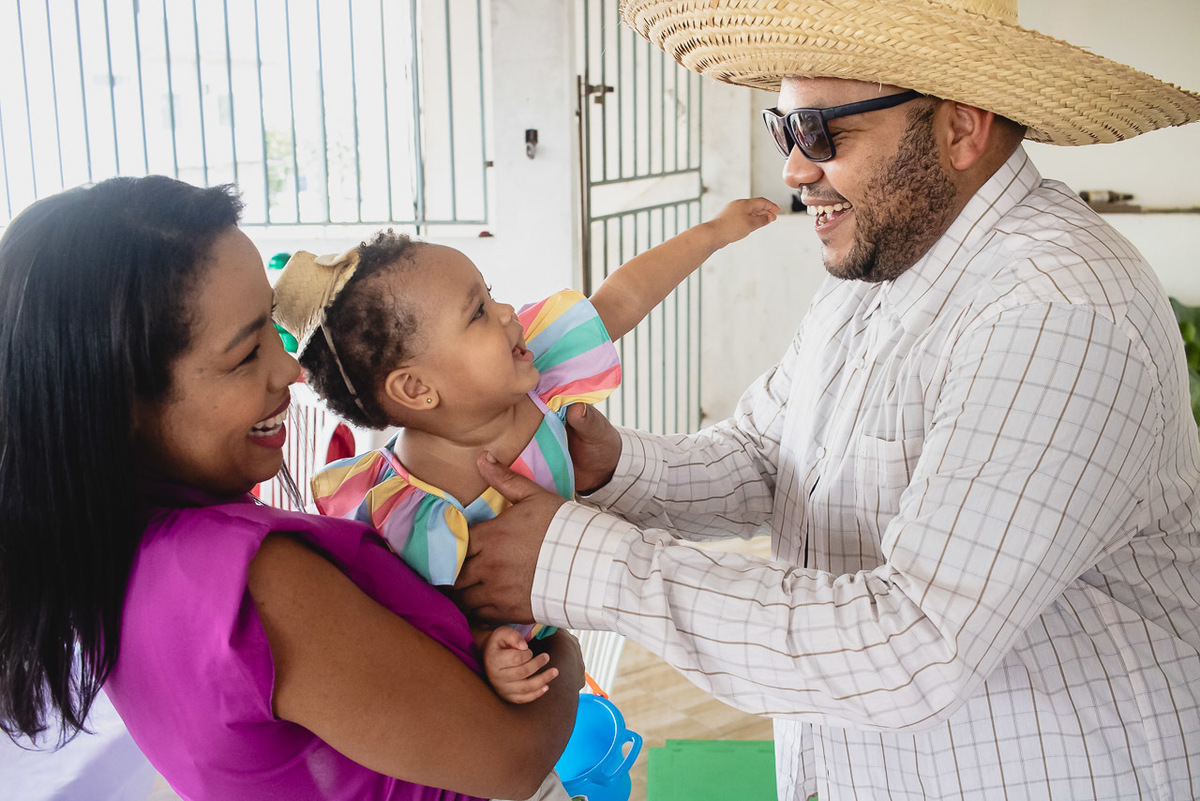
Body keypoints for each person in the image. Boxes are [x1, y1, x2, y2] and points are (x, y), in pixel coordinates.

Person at [453, 1, 1200, 799]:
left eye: (821, 134)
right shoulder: (880, 269)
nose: (793, 170)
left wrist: (578, 561)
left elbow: (911, 647)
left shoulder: (1055, 310)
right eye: (786, 130)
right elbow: (769, 460)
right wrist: (610, 465)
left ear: (960, 128)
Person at [0, 175, 586, 801]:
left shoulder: (110, 557)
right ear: (122, 407)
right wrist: (562, 643)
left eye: (274, 335)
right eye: (246, 354)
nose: (291, 371)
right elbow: (510, 760)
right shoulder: (256, 580)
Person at [271, 198, 777, 646]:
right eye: (478, 312)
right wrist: (487, 652)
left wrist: (713, 232)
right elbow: (415, 627)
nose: (509, 311)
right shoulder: (400, 514)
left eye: (490, 294)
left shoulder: (534, 366)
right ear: (417, 390)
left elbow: (620, 299)